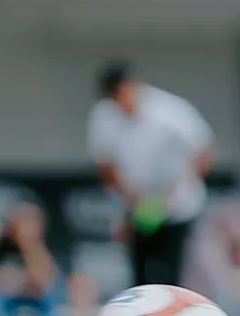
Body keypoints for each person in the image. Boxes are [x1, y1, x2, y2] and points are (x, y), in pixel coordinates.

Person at [86, 61, 216, 290]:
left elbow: (204, 151)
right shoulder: (104, 115)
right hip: (138, 206)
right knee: (140, 273)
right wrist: (129, 195)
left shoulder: (169, 111)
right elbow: (105, 165)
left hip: (177, 206)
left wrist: (178, 188)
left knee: (172, 273)